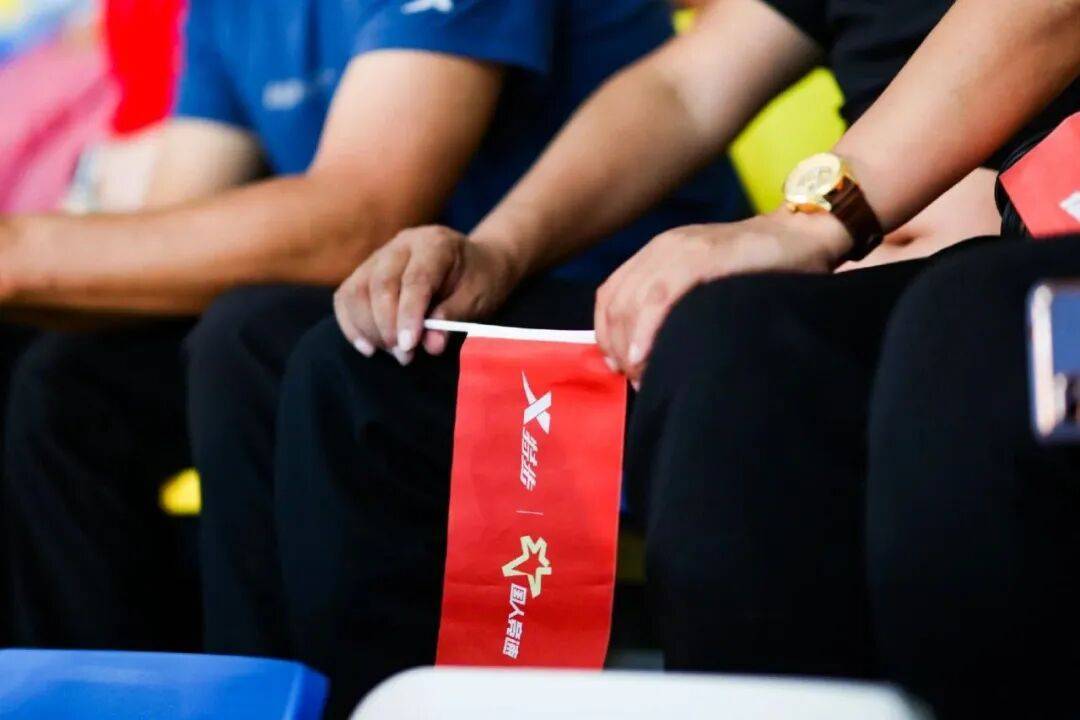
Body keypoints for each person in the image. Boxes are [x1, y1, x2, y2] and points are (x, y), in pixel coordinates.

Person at [268, 0, 1021, 714]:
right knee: (371, 364)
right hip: (833, 270)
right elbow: (683, 90)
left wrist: (816, 223)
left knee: (732, 344)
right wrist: (499, 247)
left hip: (983, 281)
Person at [0, 0, 748, 651]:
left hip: (599, 318)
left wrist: (21, 254)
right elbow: (167, 242)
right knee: (66, 376)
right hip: (409, 302)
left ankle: (297, 695)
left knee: (252, 340)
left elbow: (362, 216)